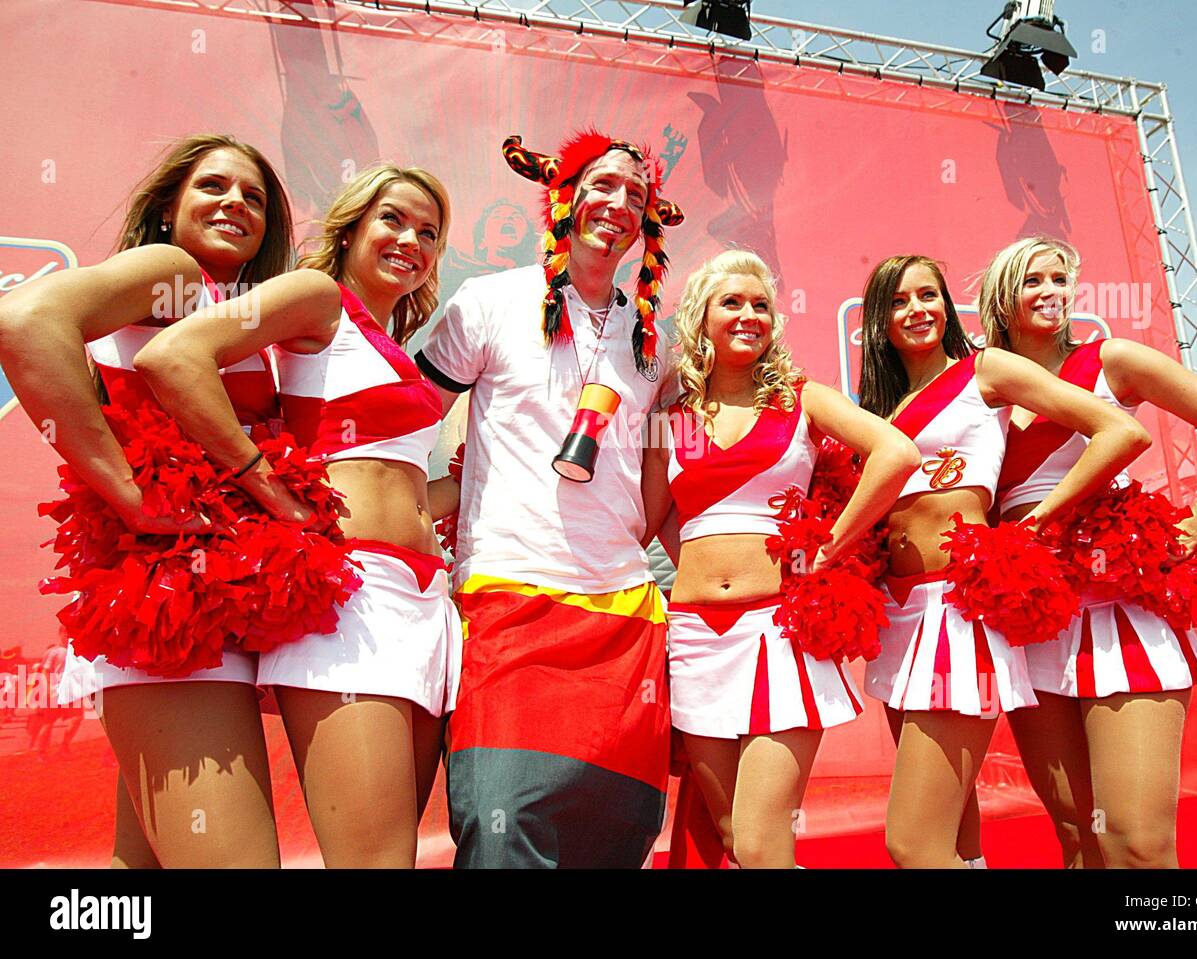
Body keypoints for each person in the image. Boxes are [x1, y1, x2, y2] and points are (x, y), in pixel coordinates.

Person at [136, 163, 459, 868]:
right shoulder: (318, 298)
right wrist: (266, 487)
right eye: (393, 220)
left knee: (392, 852)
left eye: (429, 232)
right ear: (350, 229)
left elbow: (393, 485)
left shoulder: (391, 345)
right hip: (353, 602)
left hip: (426, 606)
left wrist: (464, 486)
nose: (412, 240)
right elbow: (175, 356)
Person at [0, 133, 293, 868]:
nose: (235, 204)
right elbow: (24, 321)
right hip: (171, 612)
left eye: (253, 197)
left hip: (206, 614)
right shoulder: (174, 271)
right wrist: (129, 494)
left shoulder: (233, 309)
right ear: (168, 207)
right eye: (214, 188)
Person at [416, 131, 684, 868]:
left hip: (625, 616)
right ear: (565, 196)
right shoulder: (490, 301)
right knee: (506, 827)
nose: (619, 204)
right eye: (603, 185)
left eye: (637, 195)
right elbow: (401, 423)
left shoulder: (656, 343)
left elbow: (677, 476)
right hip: (510, 599)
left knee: (610, 835)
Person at [981, 236, 1197, 868]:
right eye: (1033, 281)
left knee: (1137, 843)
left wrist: (1193, 528)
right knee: (1078, 839)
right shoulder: (984, 390)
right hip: (1030, 623)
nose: (1050, 292)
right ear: (1002, 295)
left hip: (1120, 616)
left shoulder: (1111, 360)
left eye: (1059, 279)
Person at [856, 253, 1151, 869]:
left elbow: (1120, 432)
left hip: (955, 611)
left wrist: (1041, 519)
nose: (918, 310)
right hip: (899, 617)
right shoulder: (877, 410)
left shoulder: (984, 371)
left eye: (929, 295)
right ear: (878, 321)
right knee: (960, 842)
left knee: (911, 842)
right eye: (900, 301)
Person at [641, 249, 918, 867]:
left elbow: (895, 454)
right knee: (732, 835)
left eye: (761, 305)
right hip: (693, 638)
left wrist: (829, 551)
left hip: (778, 632)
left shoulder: (801, 398)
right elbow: (650, 519)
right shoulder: (673, 417)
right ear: (700, 318)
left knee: (765, 841)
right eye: (731, 303)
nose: (748, 316)